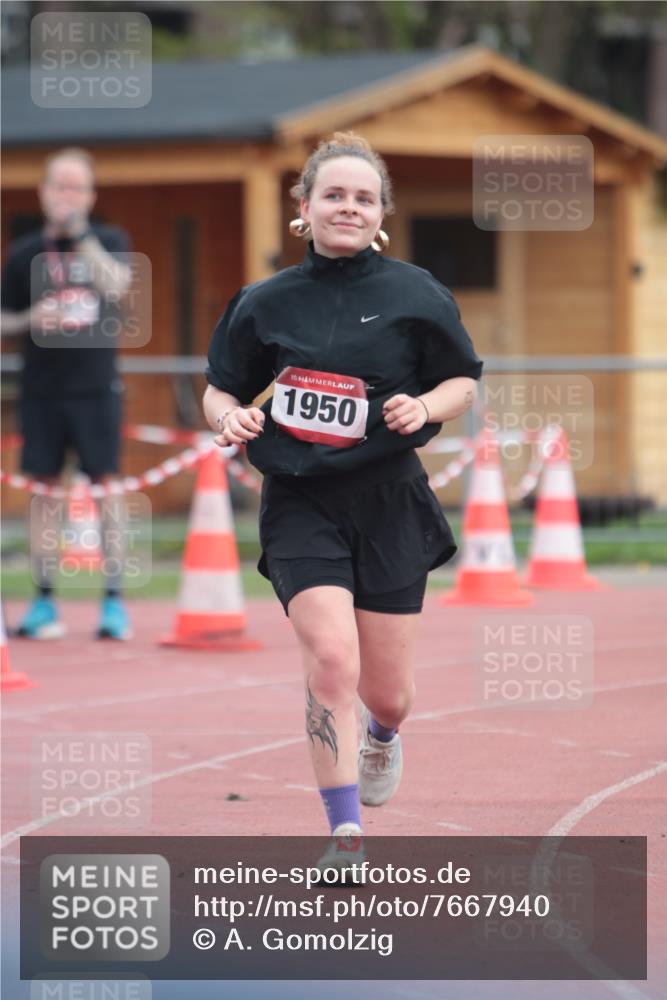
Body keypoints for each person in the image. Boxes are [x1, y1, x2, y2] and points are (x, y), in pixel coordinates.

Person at [204, 132, 482, 871]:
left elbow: (463, 382)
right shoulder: (264, 302)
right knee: (331, 660)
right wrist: (228, 418)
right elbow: (221, 388)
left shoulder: (416, 294)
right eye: (333, 195)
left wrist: (424, 408)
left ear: (381, 212)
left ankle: (382, 736)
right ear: (304, 206)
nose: (348, 208)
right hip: (300, 500)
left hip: (388, 500)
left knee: (388, 696)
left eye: (363, 198)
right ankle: (345, 833)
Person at [1, 147, 133, 640]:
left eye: (77, 187)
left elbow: (116, 286)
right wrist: (30, 318)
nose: (67, 196)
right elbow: (3, 318)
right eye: (59, 186)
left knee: (106, 486)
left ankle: (114, 601)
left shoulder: (110, 240)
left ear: (91, 195)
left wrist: (80, 237)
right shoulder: (23, 252)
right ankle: (42, 601)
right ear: (43, 191)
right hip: (41, 389)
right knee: (43, 492)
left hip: (96, 386)